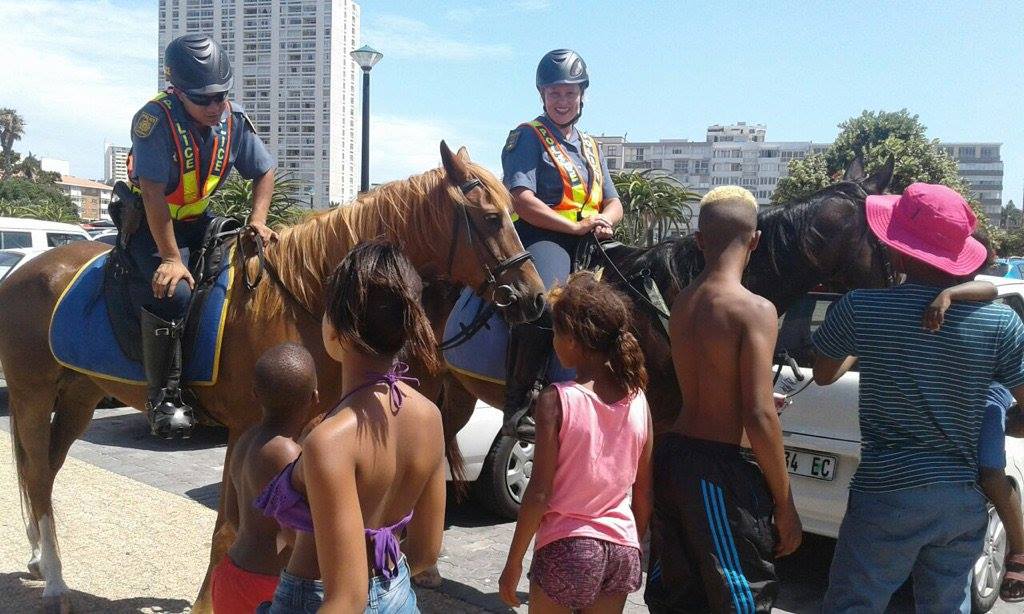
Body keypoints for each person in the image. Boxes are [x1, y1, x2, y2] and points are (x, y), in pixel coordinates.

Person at [812, 183, 1024, 613]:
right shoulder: (1000, 322)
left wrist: (869, 340)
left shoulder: (861, 308)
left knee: (855, 603)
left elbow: (824, 374)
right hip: (960, 497)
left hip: (885, 491)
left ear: (898, 250)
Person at [255, 241, 446, 613]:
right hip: (399, 591)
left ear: (336, 328)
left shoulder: (331, 439)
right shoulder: (429, 417)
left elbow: (346, 599)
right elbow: (424, 553)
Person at [645, 186, 801, 614]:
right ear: (755, 240)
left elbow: (706, 382)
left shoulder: (682, 304)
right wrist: (785, 506)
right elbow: (758, 414)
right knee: (742, 599)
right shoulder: (754, 309)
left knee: (680, 597)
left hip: (674, 457)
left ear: (699, 240)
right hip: (716, 470)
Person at [125, 34, 277, 438]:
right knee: (174, 293)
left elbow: (264, 171)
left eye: (220, 96)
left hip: (200, 220)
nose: (214, 106)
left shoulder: (234, 120)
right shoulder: (154, 122)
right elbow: (154, 194)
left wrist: (258, 219)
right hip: (150, 225)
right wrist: (171, 258)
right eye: (202, 99)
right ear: (177, 91)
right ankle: (164, 397)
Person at [498, 271, 652, 613]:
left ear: (572, 340)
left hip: (568, 547)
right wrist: (633, 544)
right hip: (622, 547)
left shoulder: (558, 400)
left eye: (555, 331)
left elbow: (539, 493)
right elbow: (643, 492)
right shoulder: (639, 401)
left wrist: (513, 563)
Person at [500, 48, 624, 442]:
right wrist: (573, 228)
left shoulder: (591, 145)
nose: (563, 100)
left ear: (582, 95)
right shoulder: (527, 136)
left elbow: (614, 200)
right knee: (542, 302)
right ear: (542, 94)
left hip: (593, 237)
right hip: (544, 235)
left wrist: (606, 220)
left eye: (570, 92)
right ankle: (522, 401)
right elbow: (522, 199)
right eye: (555, 92)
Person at [924, 280, 1024, 603]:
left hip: (991, 392)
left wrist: (949, 293)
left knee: (990, 470)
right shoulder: (919, 295)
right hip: (951, 393)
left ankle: (1020, 549)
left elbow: (990, 290)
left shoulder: (978, 299)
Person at [210, 342, 318, 614]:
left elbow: (233, 517)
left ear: (255, 394)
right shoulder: (290, 453)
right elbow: (295, 533)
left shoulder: (245, 441)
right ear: (315, 397)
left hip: (230, 572)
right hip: (269, 582)